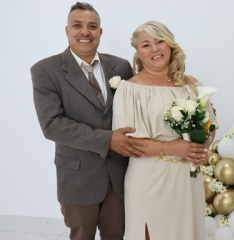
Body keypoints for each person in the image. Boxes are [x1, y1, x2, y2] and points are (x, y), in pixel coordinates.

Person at [31, 2, 146, 240]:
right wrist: (107, 140)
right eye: (78, 25)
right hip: (78, 178)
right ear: (67, 30)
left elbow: (142, 102)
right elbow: (52, 125)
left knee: (116, 235)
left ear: (100, 32)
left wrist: (185, 98)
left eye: (92, 26)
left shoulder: (121, 66)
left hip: (119, 176)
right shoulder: (45, 70)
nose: (85, 32)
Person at [112, 21, 219, 240]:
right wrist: (173, 147)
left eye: (159, 41)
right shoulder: (129, 89)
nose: (155, 49)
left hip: (187, 180)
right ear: (138, 53)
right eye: (146, 44)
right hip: (150, 180)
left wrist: (202, 147)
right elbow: (128, 143)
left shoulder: (192, 85)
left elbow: (210, 126)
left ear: (170, 45)